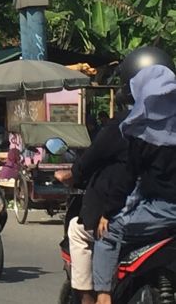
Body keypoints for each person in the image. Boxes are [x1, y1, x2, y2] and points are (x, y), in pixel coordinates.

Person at [92, 47, 176, 304]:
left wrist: (107, 212)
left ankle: (103, 296)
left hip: (165, 209)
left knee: (109, 234)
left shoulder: (142, 131)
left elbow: (127, 178)